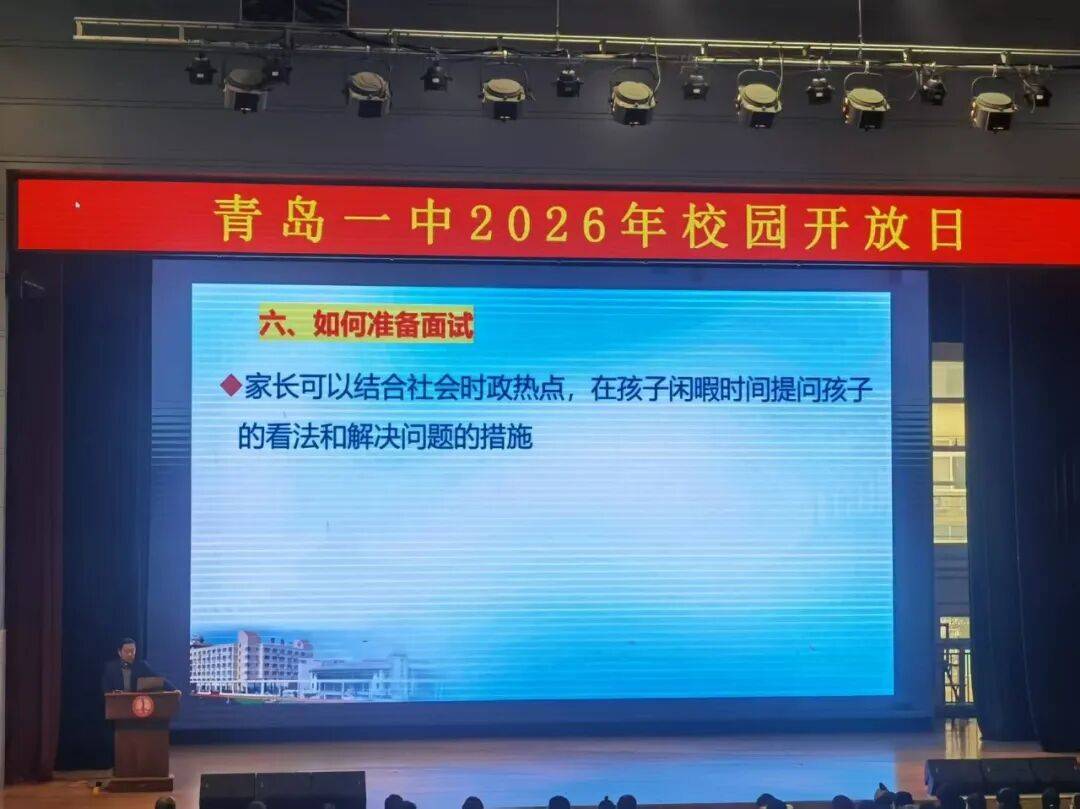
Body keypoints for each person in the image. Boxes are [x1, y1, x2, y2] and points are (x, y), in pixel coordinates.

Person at [101, 637, 171, 693]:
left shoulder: (142, 666)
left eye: (132, 651)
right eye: (127, 651)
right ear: (119, 652)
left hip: (137, 703)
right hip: (117, 703)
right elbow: (106, 688)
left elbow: (158, 680)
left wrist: (173, 690)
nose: (130, 654)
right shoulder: (111, 667)